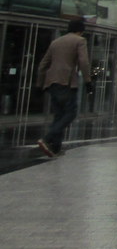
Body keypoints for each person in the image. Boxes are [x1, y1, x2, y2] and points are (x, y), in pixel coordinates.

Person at [36, 19, 93, 158]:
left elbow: (43, 64)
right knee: (71, 113)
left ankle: (55, 148)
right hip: (66, 82)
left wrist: (39, 84)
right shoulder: (80, 41)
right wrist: (88, 81)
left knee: (59, 115)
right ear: (81, 30)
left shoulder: (56, 42)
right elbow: (84, 62)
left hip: (51, 82)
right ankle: (48, 138)